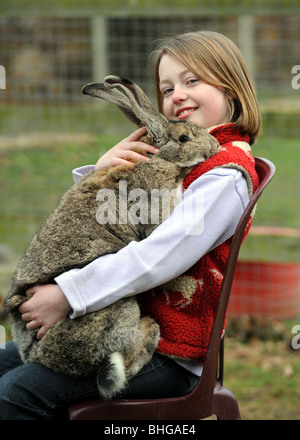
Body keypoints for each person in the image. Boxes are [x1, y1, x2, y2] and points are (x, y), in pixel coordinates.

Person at [0, 30, 261, 419]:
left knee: (17, 393)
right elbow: (123, 225)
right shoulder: (184, 160)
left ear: (232, 88)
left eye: (192, 81)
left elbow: (156, 256)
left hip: (169, 352)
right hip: (116, 322)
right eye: (167, 88)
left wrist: (68, 295)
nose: (177, 96)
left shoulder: (226, 176)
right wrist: (101, 171)